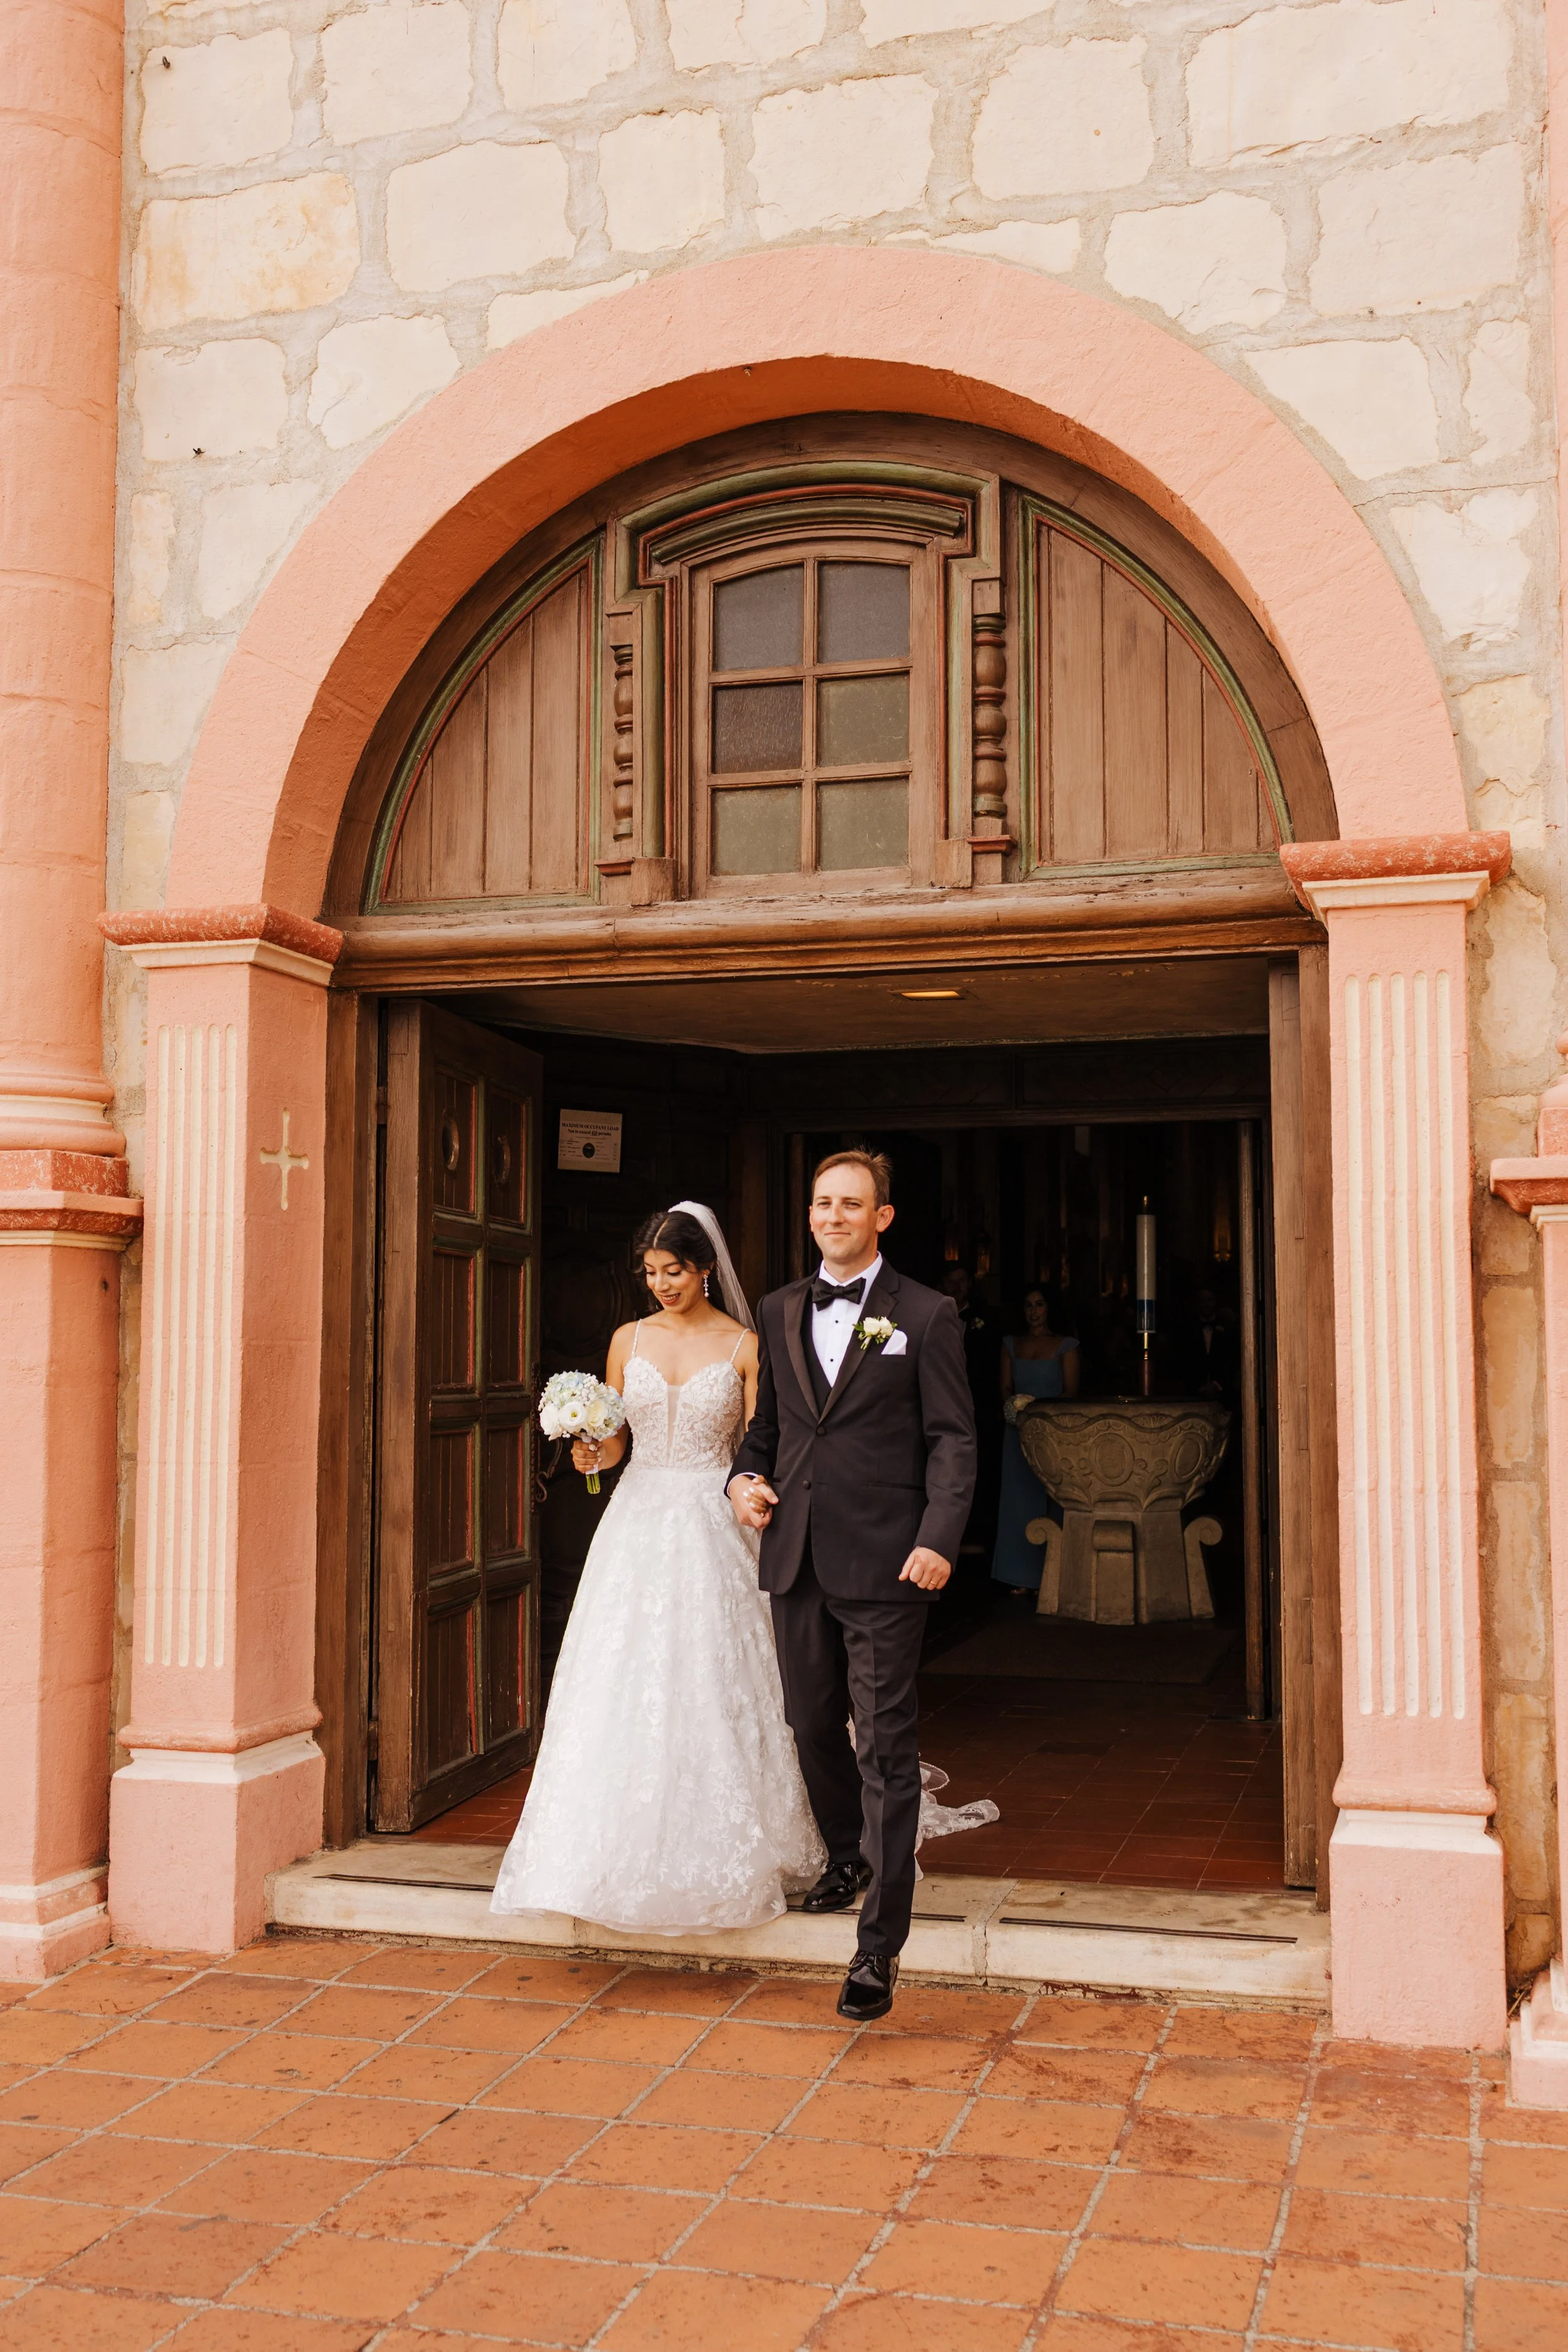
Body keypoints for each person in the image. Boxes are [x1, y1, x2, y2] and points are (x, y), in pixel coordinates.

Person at [491, 1203, 825, 1935]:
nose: (661, 1285)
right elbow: (615, 1447)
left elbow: (757, 1442)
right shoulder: (626, 1339)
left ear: (705, 1267)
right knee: (622, 1674)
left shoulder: (743, 1345)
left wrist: (755, 1492)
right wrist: (589, 1450)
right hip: (637, 1521)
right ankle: (599, 1848)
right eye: (649, 1273)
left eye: (673, 1271)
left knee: (714, 1673)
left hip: (711, 1519)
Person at [729, 1150, 978, 2021]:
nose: (834, 1215)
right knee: (807, 1722)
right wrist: (741, 1482)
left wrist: (939, 1537)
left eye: (852, 1204)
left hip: (888, 1559)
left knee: (884, 1740)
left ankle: (878, 1950)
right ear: (810, 1216)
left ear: (883, 1217)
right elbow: (766, 1433)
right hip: (796, 1552)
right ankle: (849, 1851)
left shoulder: (927, 1312)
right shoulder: (778, 1307)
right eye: (822, 1203)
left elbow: (953, 1436)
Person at [990, 1285, 1079, 1596]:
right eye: (1028, 1305)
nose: (1034, 1311)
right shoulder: (1011, 1344)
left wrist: (1042, 1416)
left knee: (1053, 1497)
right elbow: (1004, 1387)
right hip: (1017, 1432)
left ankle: (1056, 1575)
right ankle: (1020, 1575)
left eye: (1039, 1304)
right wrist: (1015, 1413)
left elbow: (1071, 1391)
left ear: (1049, 1308)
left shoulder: (1066, 1345)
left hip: (1053, 1433)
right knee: (1018, 1499)